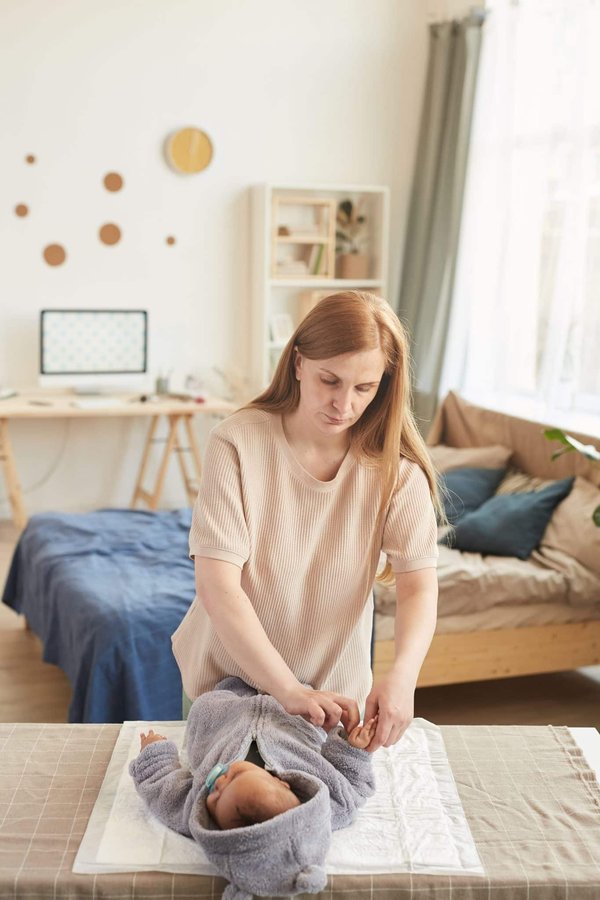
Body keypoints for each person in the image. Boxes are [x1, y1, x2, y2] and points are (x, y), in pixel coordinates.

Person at [172, 291, 440, 752]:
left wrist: (403, 678)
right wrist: (287, 690)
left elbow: (419, 586)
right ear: (298, 363)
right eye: (329, 380)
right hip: (226, 685)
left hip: (334, 700)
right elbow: (217, 585)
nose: (344, 404)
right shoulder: (236, 442)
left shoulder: (397, 472)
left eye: (364, 388)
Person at [129, 676, 377, 899]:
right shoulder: (325, 807)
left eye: (215, 797)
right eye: (234, 779)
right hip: (298, 703)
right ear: (282, 783)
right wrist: (353, 749)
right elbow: (353, 784)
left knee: (217, 691)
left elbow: (163, 789)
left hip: (223, 702)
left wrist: (154, 753)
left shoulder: (194, 810)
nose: (219, 781)